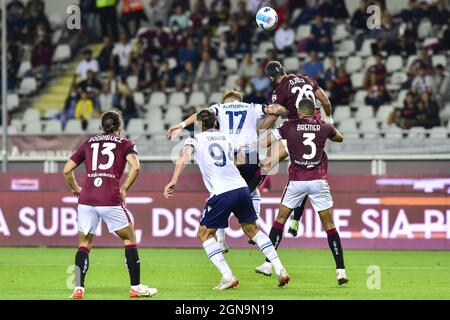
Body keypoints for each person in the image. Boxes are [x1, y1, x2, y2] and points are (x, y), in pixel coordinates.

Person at [164, 109, 289, 289]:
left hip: (222, 191)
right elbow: (240, 159)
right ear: (215, 123)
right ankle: (280, 268)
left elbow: (184, 157)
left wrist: (174, 179)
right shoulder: (226, 138)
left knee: (204, 234)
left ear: (199, 125)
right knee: (253, 229)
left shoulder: (194, 139)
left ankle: (227, 276)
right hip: (241, 188)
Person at [167, 90, 278, 253]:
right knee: (253, 193)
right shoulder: (250, 107)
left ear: (226, 100)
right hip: (250, 154)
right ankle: (253, 229)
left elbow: (201, 115)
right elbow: (273, 112)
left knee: (221, 194)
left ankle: (221, 239)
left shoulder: (220, 108)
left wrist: (182, 125)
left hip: (229, 154)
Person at [63, 111, 157, 299]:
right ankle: (136, 287)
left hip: (87, 199)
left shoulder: (88, 143)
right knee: (129, 238)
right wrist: (124, 188)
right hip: (109, 198)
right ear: (119, 127)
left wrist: (76, 188)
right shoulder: (125, 143)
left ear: (101, 127)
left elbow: (67, 170)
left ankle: (78, 288)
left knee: (84, 243)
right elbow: (136, 167)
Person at [257, 98, 348, 285]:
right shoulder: (324, 126)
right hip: (318, 181)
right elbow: (340, 137)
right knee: (330, 226)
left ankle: (268, 264)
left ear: (298, 111)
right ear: (314, 111)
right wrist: (329, 124)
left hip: (297, 182)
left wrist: (275, 130)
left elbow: (264, 143)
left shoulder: (289, 126)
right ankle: (341, 271)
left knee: (280, 220)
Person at [258, 60, 334, 242]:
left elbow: (272, 116)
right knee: (309, 174)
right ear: (284, 69)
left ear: (270, 77)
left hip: (296, 131)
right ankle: (296, 221)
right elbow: (325, 101)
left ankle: (247, 205)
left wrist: (259, 134)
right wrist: (329, 120)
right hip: (317, 132)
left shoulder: (280, 90)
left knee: (267, 164)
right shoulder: (307, 79)